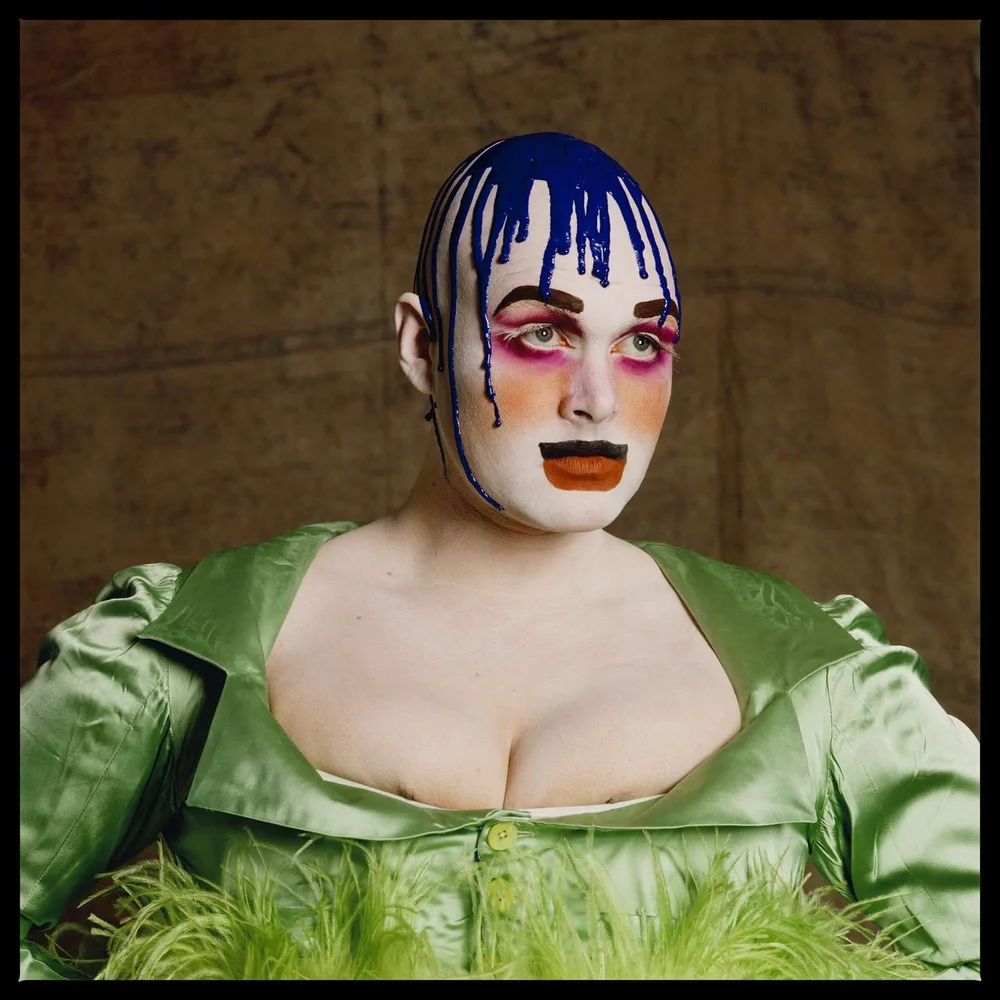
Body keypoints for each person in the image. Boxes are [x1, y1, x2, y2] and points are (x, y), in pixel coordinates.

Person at [19, 133, 979, 980]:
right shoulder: (191, 643)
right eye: (541, 333)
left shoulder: (809, 669)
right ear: (421, 346)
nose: (597, 399)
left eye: (642, 342)